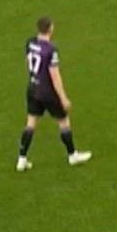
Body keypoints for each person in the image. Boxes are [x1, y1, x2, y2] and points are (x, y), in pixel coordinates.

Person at [17, 16, 92, 170]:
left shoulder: (30, 42)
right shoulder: (51, 50)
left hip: (32, 88)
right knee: (63, 121)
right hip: (48, 92)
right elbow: (55, 76)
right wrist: (63, 98)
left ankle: (21, 159)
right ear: (50, 28)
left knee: (30, 122)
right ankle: (72, 155)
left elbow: (28, 62)